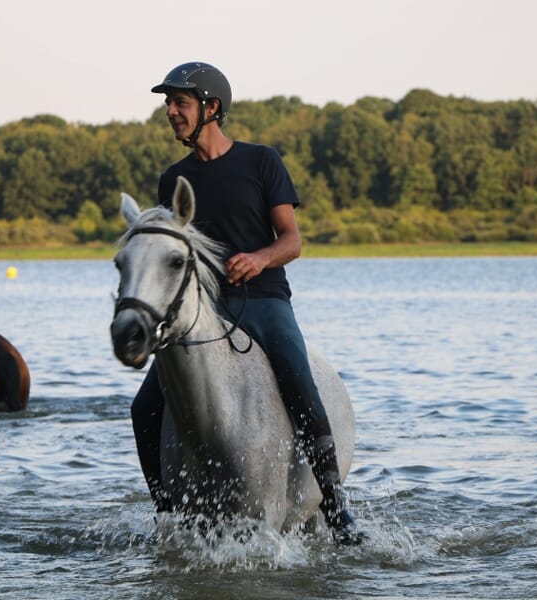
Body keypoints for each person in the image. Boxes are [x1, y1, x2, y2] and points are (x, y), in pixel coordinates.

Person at [131, 61, 362, 543]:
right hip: (206, 312)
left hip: (263, 300)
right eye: (168, 103)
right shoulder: (173, 178)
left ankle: (336, 508)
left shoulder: (261, 161)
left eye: (180, 103)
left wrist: (259, 259)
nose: (171, 111)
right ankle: (167, 512)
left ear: (211, 108)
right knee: (144, 406)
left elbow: (292, 240)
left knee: (302, 385)